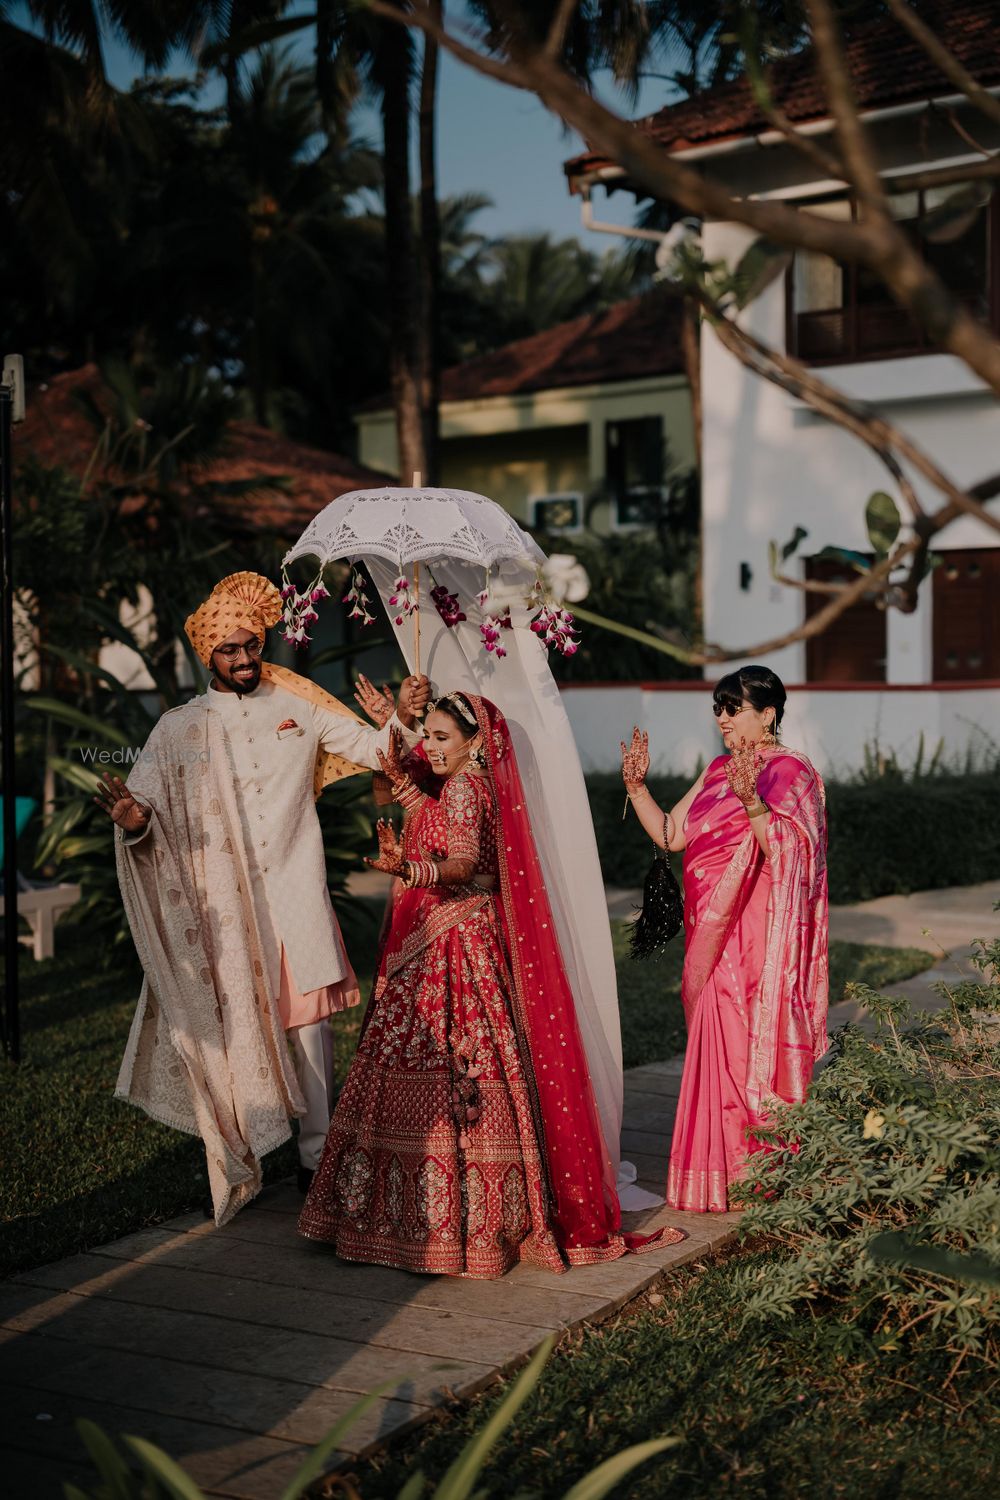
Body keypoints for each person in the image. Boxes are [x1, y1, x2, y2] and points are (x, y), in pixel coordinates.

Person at [299, 691, 685, 1276]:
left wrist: (412, 870)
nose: (430, 747)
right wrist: (391, 726)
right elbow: (419, 805)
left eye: (440, 738)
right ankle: (445, 1218)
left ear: (476, 741)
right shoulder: (462, 787)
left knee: (447, 1070)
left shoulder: (465, 788)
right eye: (427, 736)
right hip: (447, 935)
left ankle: (439, 1223)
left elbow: (462, 861)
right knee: (451, 1070)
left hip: (456, 946)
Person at [95, 570, 429, 1223]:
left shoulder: (298, 703)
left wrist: (403, 719)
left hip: (295, 892)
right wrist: (135, 823)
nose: (246, 659)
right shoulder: (178, 729)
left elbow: (375, 751)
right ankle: (243, 1150)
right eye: (230, 650)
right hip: (224, 908)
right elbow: (146, 815)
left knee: (309, 1030)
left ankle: (316, 1158)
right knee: (238, 1025)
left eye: (252, 645)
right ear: (207, 655)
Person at [620, 665, 829, 1213]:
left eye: (734, 708)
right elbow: (672, 833)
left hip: (758, 937)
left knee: (748, 1048)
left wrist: (755, 801)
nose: (723, 718)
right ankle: (714, 1174)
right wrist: (636, 788)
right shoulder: (716, 770)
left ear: (768, 713)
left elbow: (787, 851)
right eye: (719, 708)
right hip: (710, 937)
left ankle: (759, 1173)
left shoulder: (792, 772)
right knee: (715, 1048)